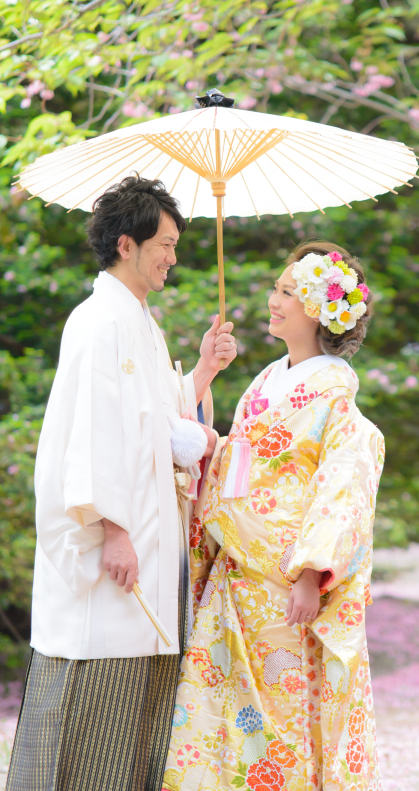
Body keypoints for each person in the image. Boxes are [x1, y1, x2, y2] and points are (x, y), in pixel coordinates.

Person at [7, 175, 238, 791]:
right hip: (119, 538)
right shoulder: (96, 321)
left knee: (143, 707)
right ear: (127, 244)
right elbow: (90, 433)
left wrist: (207, 369)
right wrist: (112, 529)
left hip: (151, 539)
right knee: (96, 698)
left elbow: (161, 424)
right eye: (165, 243)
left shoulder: (141, 322)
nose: (173, 256)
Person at [162, 241, 384, 791]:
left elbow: (342, 484)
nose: (273, 300)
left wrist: (312, 574)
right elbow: (242, 458)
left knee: (281, 715)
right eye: (278, 289)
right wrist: (209, 430)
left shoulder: (334, 390)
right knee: (222, 712)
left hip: (284, 577)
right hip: (239, 571)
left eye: (287, 292)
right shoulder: (268, 379)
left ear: (316, 308)